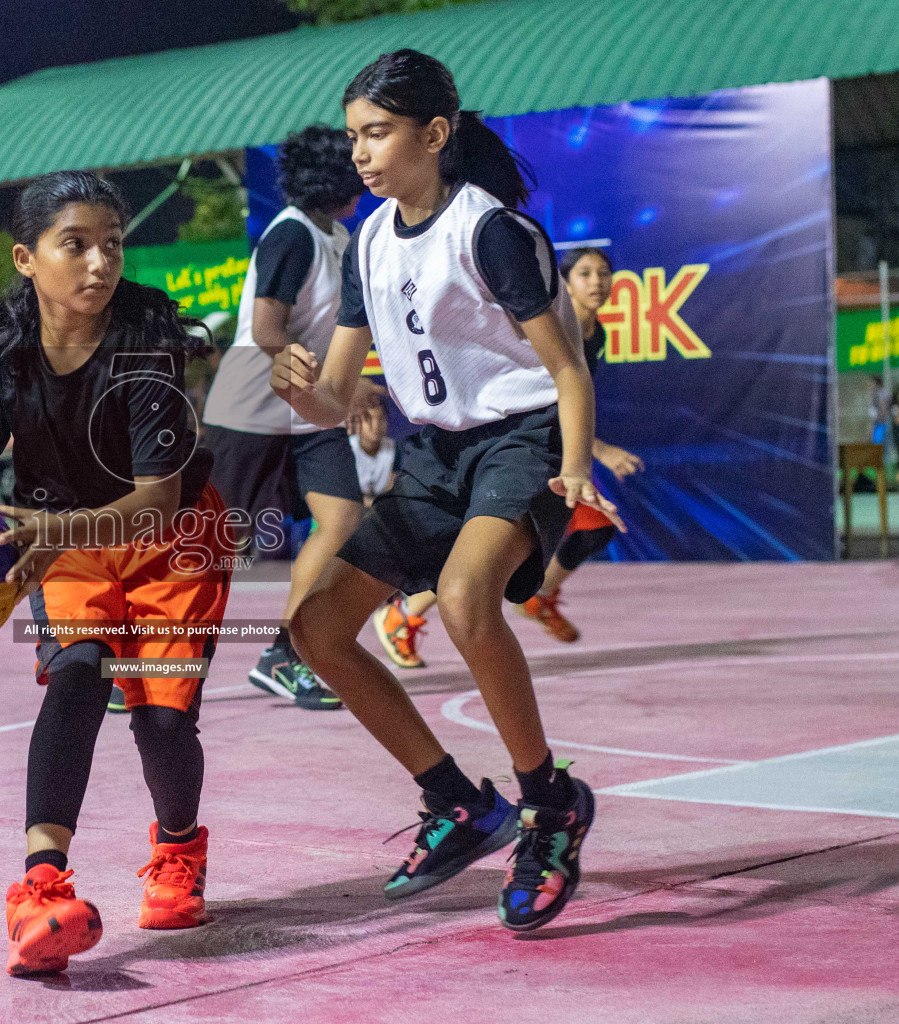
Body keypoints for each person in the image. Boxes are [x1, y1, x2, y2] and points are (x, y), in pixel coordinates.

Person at [271, 50, 621, 930]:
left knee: (466, 601)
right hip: (438, 452)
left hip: (522, 438)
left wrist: (573, 466)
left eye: (377, 132)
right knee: (314, 627)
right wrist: (296, 382)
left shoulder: (490, 230)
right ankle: (459, 802)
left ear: (434, 134)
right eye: (353, 135)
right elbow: (338, 393)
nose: (360, 151)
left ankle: (549, 806)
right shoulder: (370, 245)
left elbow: (569, 369)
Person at [0, 171, 232, 976]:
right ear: (28, 259)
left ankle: (178, 850)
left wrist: (52, 529)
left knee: (161, 721)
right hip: (66, 541)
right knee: (78, 676)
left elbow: (158, 503)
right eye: (77, 245)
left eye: (112, 244)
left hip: (171, 539)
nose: (99, 262)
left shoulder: (144, 337)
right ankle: (40, 886)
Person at [373, 247, 645, 662]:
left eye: (604, 273)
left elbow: (571, 403)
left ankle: (538, 595)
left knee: (594, 529)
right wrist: (600, 451)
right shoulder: (550, 327)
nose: (597, 282)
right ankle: (403, 614)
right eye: (585, 274)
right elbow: (540, 399)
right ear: (565, 284)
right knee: (484, 557)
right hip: (513, 449)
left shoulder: (597, 333)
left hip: (552, 454)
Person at [202, 125, 369, 711]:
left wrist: (357, 387)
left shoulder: (343, 238)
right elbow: (267, 327)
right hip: (251, 409)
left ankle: (286, 654)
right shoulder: (291, 235)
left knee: (345, 519)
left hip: (311, 410)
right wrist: (311, 370)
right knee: (213, 553)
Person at [349, 392, 396, 507]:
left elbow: (393, 489)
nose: (375, 426)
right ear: (357, 422)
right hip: (354, 509)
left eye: (380, 419)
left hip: (382, 509)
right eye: (368, 419)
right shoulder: (346, 449)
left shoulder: (395, 449)